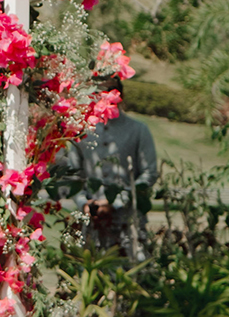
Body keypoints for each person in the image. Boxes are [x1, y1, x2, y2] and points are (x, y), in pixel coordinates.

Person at [58, 74, 158, 258]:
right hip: (92, 220)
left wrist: (117, 201)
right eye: (100, 92)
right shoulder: (82, 131)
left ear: (121, 95)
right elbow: (72, 174)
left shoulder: (138, 130)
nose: (105, 97)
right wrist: (84, 203)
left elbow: (149, 173)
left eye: (111, 92)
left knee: (131, 271)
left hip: (127, 220)